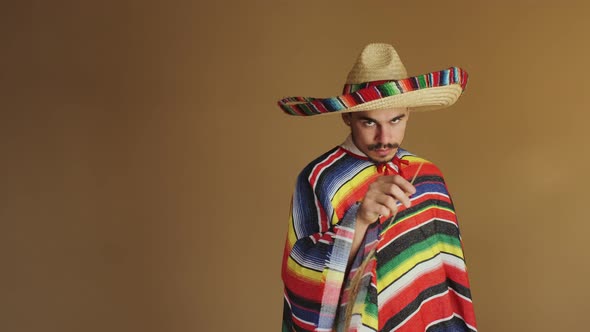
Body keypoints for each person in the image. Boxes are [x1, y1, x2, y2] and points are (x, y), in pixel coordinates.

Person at [277, 43, 477, 331]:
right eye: (369, 122)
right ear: (347, 116)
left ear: (409, 111)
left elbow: (446, 282)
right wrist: (358, 220)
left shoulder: (428, 178)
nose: (385, 138)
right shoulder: (320, 178)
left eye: (396, 120)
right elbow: (300, 278)